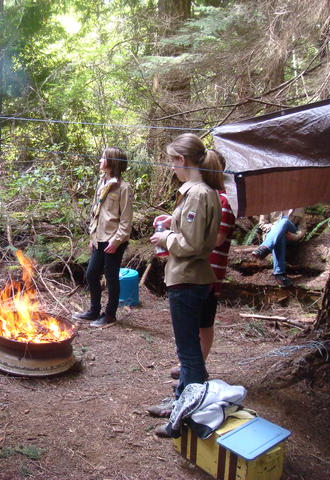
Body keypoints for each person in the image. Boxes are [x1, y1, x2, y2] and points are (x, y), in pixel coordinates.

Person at [145, 133, 222, 432]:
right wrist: (172, 222)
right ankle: (181, 399)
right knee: (189, 352)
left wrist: (165, 237)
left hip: (188, 280)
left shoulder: (198, 193)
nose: (172, 167)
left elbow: (191, 244)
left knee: (188, 353)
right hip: (192, 279)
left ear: (182, 159)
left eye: (172, 161)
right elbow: (193, 232)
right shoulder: (200, 192)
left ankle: (185, 415)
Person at [169, 151, 235, 381]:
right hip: (198, 269)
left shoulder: (218, 198)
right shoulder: (206, 194)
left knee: (203, 323)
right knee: (194, 325)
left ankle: (197, 367)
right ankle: (191, 367)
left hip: (208, 270)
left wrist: (172, 238)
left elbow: (214, 239)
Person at [73, 147, 134, 327]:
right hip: (99, 237)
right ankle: (94, 311)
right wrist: (93, 237)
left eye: (103, 157)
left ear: (112, 162)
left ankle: (109, 315)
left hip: (114, 239)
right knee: (92, 274)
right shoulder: (102, 181)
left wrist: (116, 241)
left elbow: (126, 220)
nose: (100, 160)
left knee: (111, 277)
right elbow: (96, 211)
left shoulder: (124, 188)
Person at [251, 208, 306, 287]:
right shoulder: (270, 204)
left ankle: (265, 247)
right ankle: (279, 275)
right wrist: (276, 229)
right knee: (280, 235)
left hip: (290, 236)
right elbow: (262, 223)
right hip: (271, 234)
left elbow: (302, 228)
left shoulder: (299, 207)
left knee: (285, 221)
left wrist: (296, 236)